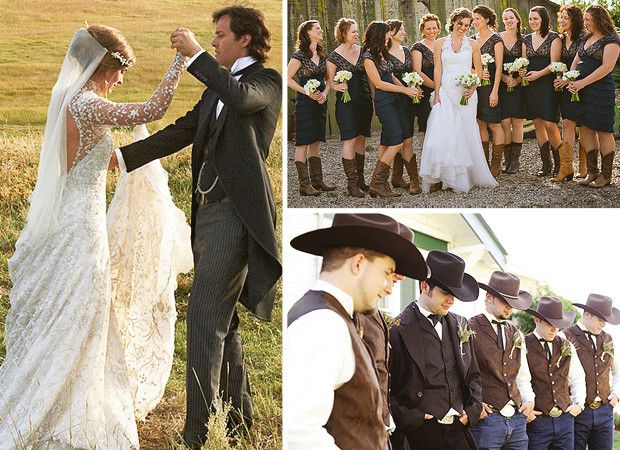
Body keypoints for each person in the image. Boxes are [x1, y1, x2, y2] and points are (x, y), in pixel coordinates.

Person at [0, 25, 187, 447]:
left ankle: (66, 382)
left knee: (68, 304)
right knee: (83, 305)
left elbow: (82, 158)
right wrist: (180, 60)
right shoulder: (87, 103)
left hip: (66, 217)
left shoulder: (66, 99)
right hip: (81, 225)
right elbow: (153, 109)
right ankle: (65, 399)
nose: (121, 81)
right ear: (107, 67)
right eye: (120, 72)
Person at [116, 6, 282, 447]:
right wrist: (121, 159)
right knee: (222, 324)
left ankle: (196, 435)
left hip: (236, 216)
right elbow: (184, 130)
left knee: (204, 320)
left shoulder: (266, 82)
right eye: (211, 36)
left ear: (245, 39)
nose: (214, 42)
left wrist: (194, 57)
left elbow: (240, 99)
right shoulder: (216, 90)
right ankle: (239, 422)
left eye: (221, 35)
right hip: (206, 213)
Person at [284, 213, 428, 449]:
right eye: (387, 272)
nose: (389, 287)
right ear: (358, 263)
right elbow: (298, 432)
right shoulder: (322, 323)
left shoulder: (336, 317)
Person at [389, 250, 483, 450]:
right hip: (420, 435)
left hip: (459, 430)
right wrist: (413, 417)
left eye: (454, 294)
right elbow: (387, 388)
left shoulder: (461, 324)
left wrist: (472, 410)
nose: (451, 300)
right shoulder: (397, 329)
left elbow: (473, 374)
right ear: (425, 286)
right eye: (445, 292)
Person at [419, 7, 498, 193]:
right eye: (460, 23)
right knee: (443, 131)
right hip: (446, 91)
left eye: (467, 25)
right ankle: (444, 175)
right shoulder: (440, 43)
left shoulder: (473, 44)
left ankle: (465, 177)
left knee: (465, 130)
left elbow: (478, 70)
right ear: (453, 22)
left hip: (466, 92)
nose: (463, 27)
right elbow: (438, 69)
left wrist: (473, 86)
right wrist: (437, 92)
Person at [468, 271, 535, 450]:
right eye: (505, 301)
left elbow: (522, 376)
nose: (509, 307)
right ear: (489, 297)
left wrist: (529, 400)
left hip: (517, 421)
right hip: (487, 421)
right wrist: (472, 403)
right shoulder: (468, 328)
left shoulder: (516, 333)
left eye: (512, 303)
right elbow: (460, 372)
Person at [363, 21, 419, 198]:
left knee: (387, 142)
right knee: (397, 142)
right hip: (384, 101)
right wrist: (404, 90)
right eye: (387, 33)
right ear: (380, 34)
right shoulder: (368, 57)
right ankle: (377, 183)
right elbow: (379, 83)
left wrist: (409, 90)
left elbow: (392, 76)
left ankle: (382, 184)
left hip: (394, 99)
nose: (389, 35)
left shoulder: (382, 53)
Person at [523, 296, 586, 450]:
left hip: (565, 420)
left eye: (558, 324)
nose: (554, 329)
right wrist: (526, 411)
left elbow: (577, 377)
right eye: (549, 324)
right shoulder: (523, 344)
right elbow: (519, 379)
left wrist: (579, 404)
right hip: (537, 421)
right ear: (537, 320)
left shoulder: (567, 345)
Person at [570, 4, 620, 188]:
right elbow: (576, 60)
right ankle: (592, 172)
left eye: (588, 20)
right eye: (584, 19)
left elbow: (606, 67)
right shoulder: (586, 37)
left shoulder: (612, 40)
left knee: (603, 130)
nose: (585, 23)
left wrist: (582, 82)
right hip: (581, 91)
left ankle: (606, 175)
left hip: (600, 91)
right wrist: (570, 77)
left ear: (599, 19)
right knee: (585, 128)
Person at [564, 294, 620, 450]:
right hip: (578, 412)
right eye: (600, 319)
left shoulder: (608, 338)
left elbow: (617, 371)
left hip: (604, 411)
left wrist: (615, 395)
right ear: (587, 314)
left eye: (605, 320)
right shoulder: (566, 336)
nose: (603, 324)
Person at [326, 18, 373, 197]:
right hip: (346, 104)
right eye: (353, 31)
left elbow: (370, 78)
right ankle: (351, 185)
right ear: (344, 33)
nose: (356, 34)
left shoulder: (363, 52)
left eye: (357, 31)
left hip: (364, 101)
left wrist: (374, 99)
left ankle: (361, 180)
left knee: (361, 139)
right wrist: (337, 86)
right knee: (350, 140)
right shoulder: (333, 57)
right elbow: (330, 80)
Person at [288, 20, 334, 196]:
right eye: (317, 29)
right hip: (305, 104)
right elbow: (288, 78)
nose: (321, 31)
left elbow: (329, 80)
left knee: (315, 142)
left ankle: (317, 180)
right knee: (303, 143)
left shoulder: (323, 55)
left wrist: (325, 93)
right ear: (307, 33)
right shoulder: (299, 56)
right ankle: (304, 185)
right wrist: (306, 92)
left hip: (320, 103)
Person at [521, 6, 562, 178]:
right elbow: (523, 61)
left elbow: (555, 64)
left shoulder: (554, 38)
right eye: (530, 19)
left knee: (549, 123)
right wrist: (522, 71)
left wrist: (538, 74)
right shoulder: (526, 39)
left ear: (544, 19)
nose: (532, 22)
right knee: (537, 122)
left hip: (547, 84)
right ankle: (546, 164)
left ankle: (561, 164)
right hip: (531, 85)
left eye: (535, 18)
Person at [384, 19, 421, 194]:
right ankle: (414, 180)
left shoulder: (406, 50)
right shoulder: (383, 53)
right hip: (393, 99)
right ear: (390, 32)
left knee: (407, 137)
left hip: (408, 99)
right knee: (403, 140)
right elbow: (388, 77)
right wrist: (405, 90)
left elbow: (413, 72)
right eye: (400, 30)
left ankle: (397, 177)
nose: (403, 32)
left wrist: (416, 86)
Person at [552, 4, 585, 182]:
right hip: (566, 89)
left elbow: (586, 63)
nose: (562, 20)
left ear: (575, 19)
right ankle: (566, 168)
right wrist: (560, 78)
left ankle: (584, 167)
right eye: (561, 17)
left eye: (566, 17)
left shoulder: (584, 37)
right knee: (566, 124)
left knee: (584, 127)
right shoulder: (561, 38)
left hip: (582, 86)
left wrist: (570, 79)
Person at [473, 5, 505, 178]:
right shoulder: (471, 39)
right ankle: (484, 164)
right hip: (474, 87)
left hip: (491, 86)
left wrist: (495, 91)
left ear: (486, 19)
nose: (474, 21)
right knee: (480, 124)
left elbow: (499, 68)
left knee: (494, 124)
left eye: (477, 18)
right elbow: (467, 65)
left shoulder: (496, 39)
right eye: (474, 18)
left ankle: (495, 165)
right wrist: (474, 72)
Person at [499, 8, 527, 174]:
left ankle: (515, 161)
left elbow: (524, 63)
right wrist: (504, 79)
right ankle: (506, 159)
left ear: (517, 19)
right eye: (505, 18)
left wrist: (516, 80)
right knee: (504, 123)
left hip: (518, 85)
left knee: (517, 122)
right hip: (502, 83)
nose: (508, 20)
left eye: (511, 17)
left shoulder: (523, 39)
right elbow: (496, 62)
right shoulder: (498, 38)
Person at [411, 14, 440, 163]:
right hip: (426, 91)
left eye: (434, 27)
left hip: (443, 91)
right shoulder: (418, 47)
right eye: (428, 28)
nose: (431, 31)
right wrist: (436, 87)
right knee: (426, 126)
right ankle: (428, 161)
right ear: (422, 29)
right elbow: (417, 71)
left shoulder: (443, 44)